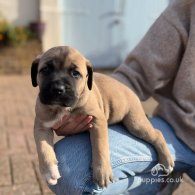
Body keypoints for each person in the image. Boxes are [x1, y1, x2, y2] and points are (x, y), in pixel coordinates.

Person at [49, 0, 195, 194]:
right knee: (68, 168)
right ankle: (160, 179)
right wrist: (93, 100)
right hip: (180, 130)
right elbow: (133, 76)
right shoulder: (188, 7)